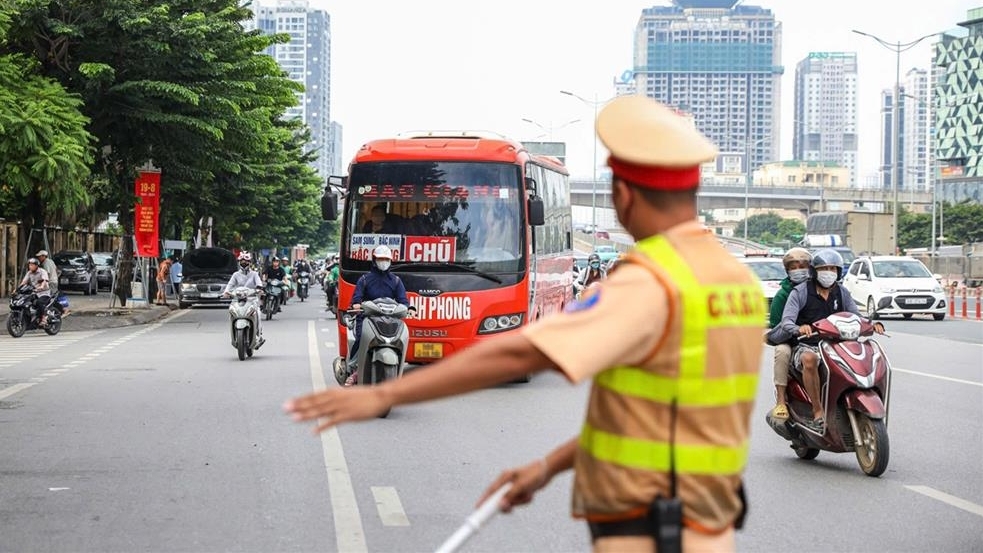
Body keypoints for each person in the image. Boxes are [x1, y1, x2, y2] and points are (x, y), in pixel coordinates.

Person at [285, 95, 766, 552]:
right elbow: (651, 419)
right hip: (707, 522)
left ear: (623, 193)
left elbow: (522, 351)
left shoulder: (651, 282)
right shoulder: (736, 283)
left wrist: (387, 393)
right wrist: (543, 468)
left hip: (646, 525)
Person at [767, 248, 885, 431]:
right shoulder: (799, 292)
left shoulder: (842, 292)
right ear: (814, 271)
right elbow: (786, 322)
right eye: (824, 268)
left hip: (837, 344)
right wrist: (799, 328)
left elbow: (855, 315)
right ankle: (817, 411)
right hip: (807, 344)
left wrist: (871, 324)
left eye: (833, 269)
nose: (828, 273)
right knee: (808, 359)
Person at [343, 245, 416, 386]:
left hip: (390, 319)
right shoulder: (364, 279)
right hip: (367, 318)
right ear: (374, 260)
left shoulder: (395, 281)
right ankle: (354, 370)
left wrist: (409, 309)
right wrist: (357, 305)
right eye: (381, 259)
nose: (383, 262)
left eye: (386, 259)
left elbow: (403, 301)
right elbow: (356, 299)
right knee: (360, 339)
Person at [766, 247, 812, 421]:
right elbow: (777, 327)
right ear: (787, 270)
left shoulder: (818, 289)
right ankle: (780, 400)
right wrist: (796, 330)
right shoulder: (782, 295)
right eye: (794, 266)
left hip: (817, 337)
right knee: (782, 352)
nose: (799, 270)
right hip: (791, 340)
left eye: (803, 265)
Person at [223, 252, 265, 347]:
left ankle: (259, 334)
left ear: (250, 262)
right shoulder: (235, 275)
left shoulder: (254, 274)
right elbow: (230, 285)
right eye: (242, 261)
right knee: (231, 313)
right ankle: (234, 334)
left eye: (246, 261)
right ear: (239, 262)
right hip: (237, 300)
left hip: (251, 299)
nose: (244, 262)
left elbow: (259, 284)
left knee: (258, 313)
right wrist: (226, 292)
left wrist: (260, 290)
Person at [20, 257, 52, 325]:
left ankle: (44, 318)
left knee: (39, 302)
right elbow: (24, 282)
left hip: (44, 293)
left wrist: (41, 286)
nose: (30, 266)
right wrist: (17, 289)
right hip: (34, 293)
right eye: (29, 265)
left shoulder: (42, 271)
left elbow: (44, 280)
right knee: (25, 301)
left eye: (32, 265)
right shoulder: (29, 273)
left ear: (36, 265)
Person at [35, 250, 63, 316]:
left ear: (44, 256)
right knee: (51, 298)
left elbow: (46, 274)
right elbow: (57, 271)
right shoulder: (51, 261)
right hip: (54, 281)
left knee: (49, 298)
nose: (38, 258)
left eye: (40, 256)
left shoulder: (46, 263)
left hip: (51, 283)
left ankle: (60, 310)